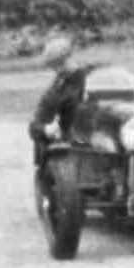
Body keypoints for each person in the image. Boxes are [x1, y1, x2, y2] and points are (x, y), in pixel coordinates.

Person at [29, 34, 86, 169]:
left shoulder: (92, 77)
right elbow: (36, 124)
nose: (58, 69)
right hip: (71, 144)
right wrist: (45, 130)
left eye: (61, 64)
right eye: (54, 67)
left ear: (70, 57)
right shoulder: (55, 92)